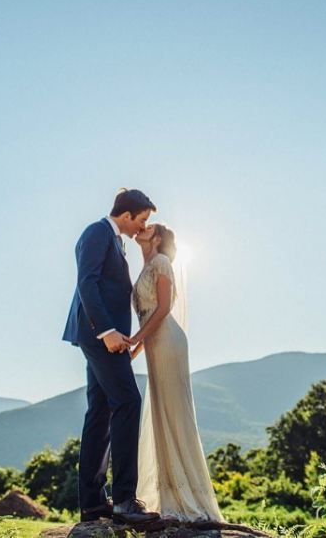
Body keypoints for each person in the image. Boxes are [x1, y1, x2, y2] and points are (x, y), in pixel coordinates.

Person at [62, 189, 160, 525]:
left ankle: (92, 504)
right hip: (100, 336)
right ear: (127, 214)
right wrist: (106, 331)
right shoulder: (97, 231)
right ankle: (124, 500)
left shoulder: (115, 240)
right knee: (128, 401)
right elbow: (86, 283)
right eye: (142, 220)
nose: (142, 227)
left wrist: (146, 242)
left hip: (106, 337)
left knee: (101, 411)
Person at [130, 224, 225, 522]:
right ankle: (168, 494)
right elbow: (149, 315)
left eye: (148, 228)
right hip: (154, 343)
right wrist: (136, 348)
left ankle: (188, 498)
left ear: (157, 238)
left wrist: (135, 339)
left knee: (173, 412)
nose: (141, 229)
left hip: (168, 343)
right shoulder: (147, 265)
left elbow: (163, 310)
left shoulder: (161, 263)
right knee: (160, 412)